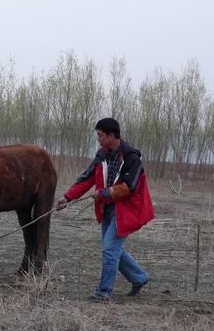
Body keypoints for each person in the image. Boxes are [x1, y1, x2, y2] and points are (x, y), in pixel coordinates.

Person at [56, 118, 154, 302]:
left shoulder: (132, 158)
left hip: (126, 211)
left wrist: (103, 193)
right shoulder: (102, 155)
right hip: (107, 209)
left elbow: (128, 188)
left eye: (100, 135)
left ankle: (104, 292)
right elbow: (87, 178)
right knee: (113, 249)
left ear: (111, 135)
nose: (98, 139)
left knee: (110, 250)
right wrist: (67, 197)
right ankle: (139, 277)